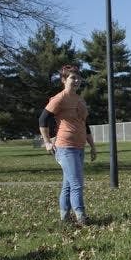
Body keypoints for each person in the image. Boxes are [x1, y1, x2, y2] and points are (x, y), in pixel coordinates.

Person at [38, 65, 97, 225]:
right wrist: (47, 142)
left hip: (79, 147)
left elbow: (86, 124)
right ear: (64, 80)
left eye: (78, 78)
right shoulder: (59, 98)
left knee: (69, 185)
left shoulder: (80, 100)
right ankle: (81, 218)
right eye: (72, 77)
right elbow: (43, 120)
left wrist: (92, 146)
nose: (77, 80)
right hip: (65, 147)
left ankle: (64, 218)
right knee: (77, 183)